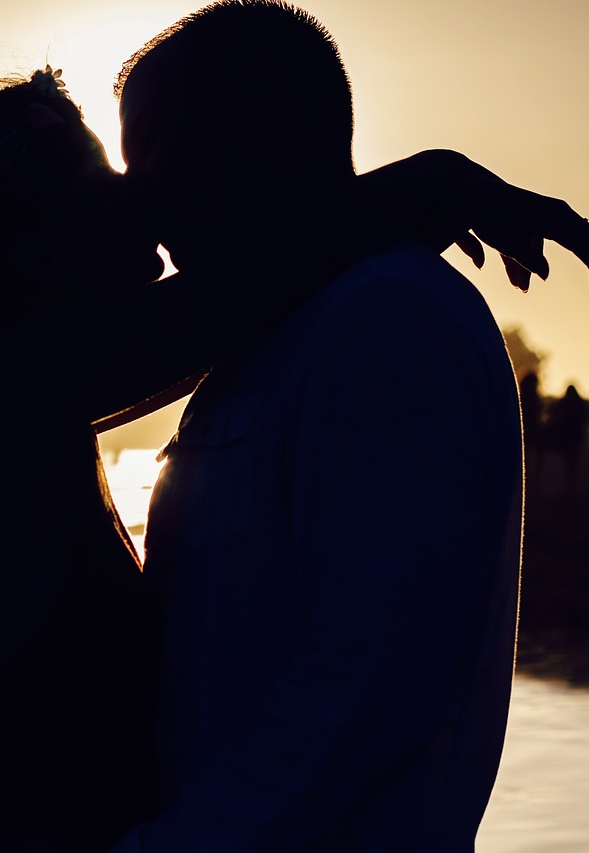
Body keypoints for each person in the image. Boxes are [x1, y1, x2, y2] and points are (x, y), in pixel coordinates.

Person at [0, 68, 588, 851]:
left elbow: (233, 307)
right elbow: (239, 292)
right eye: (102, 176)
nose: (136, 192)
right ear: (37, 252)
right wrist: (432, 177)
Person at [111, 2, 589, 849]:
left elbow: (366, 687)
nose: (136, 191)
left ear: (258, 115)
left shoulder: (383, 322)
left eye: (151, 141)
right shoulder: (270, 335)